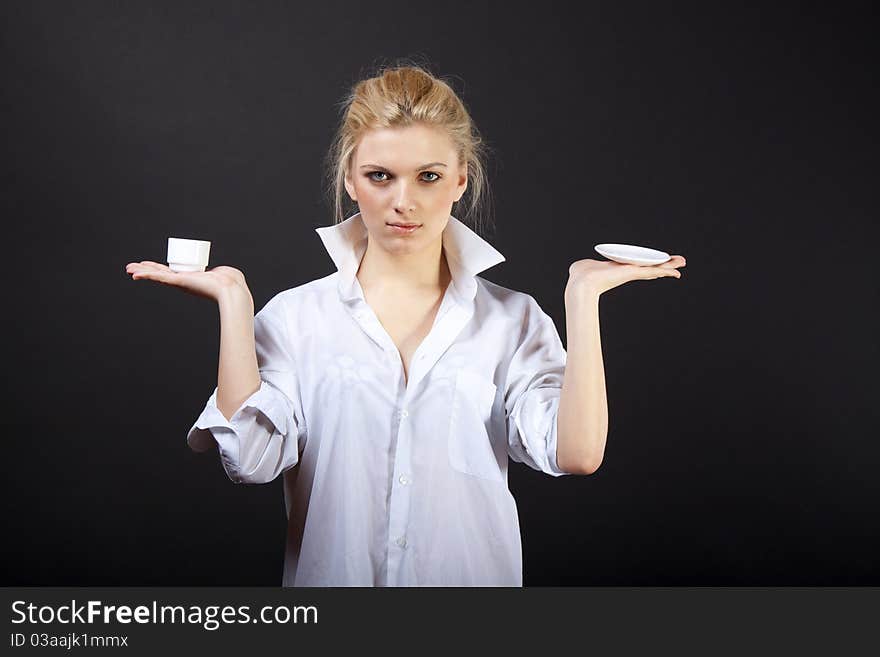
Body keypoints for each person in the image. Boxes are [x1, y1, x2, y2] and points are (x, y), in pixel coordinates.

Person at [125, 62, 685, 586]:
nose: (403, 201)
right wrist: (235, 303)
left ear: (460, 181)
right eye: (380, 176)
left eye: (428, 176)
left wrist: (581, 298)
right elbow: (250, 461)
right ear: (350, 179)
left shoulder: (511, 321)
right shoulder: (296, 319)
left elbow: (576, 454)